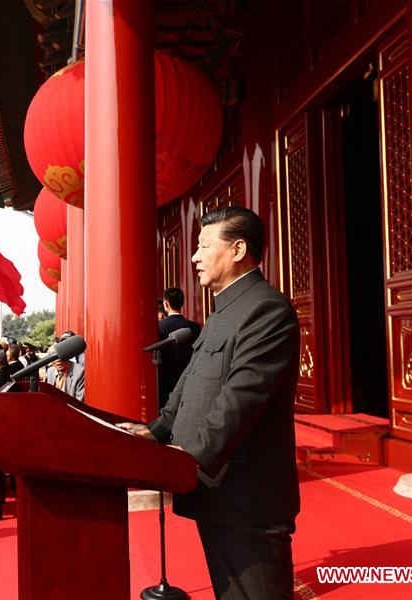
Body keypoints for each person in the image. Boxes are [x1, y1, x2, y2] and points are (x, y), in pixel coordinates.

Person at [117, 207, 300, 600]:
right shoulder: (222, 311)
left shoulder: (266, 310)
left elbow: (240, 399)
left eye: (203, 246)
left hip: (247, 497)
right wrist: (155, 430)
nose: (194, 257)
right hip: (220, 489)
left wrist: (186, 459)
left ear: (237, 249)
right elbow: (189, 385)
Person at [156, 287, 201, 410]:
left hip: (164, 378)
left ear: (166, 303)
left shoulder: (159, 327)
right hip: (188, 377)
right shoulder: (194, 327)